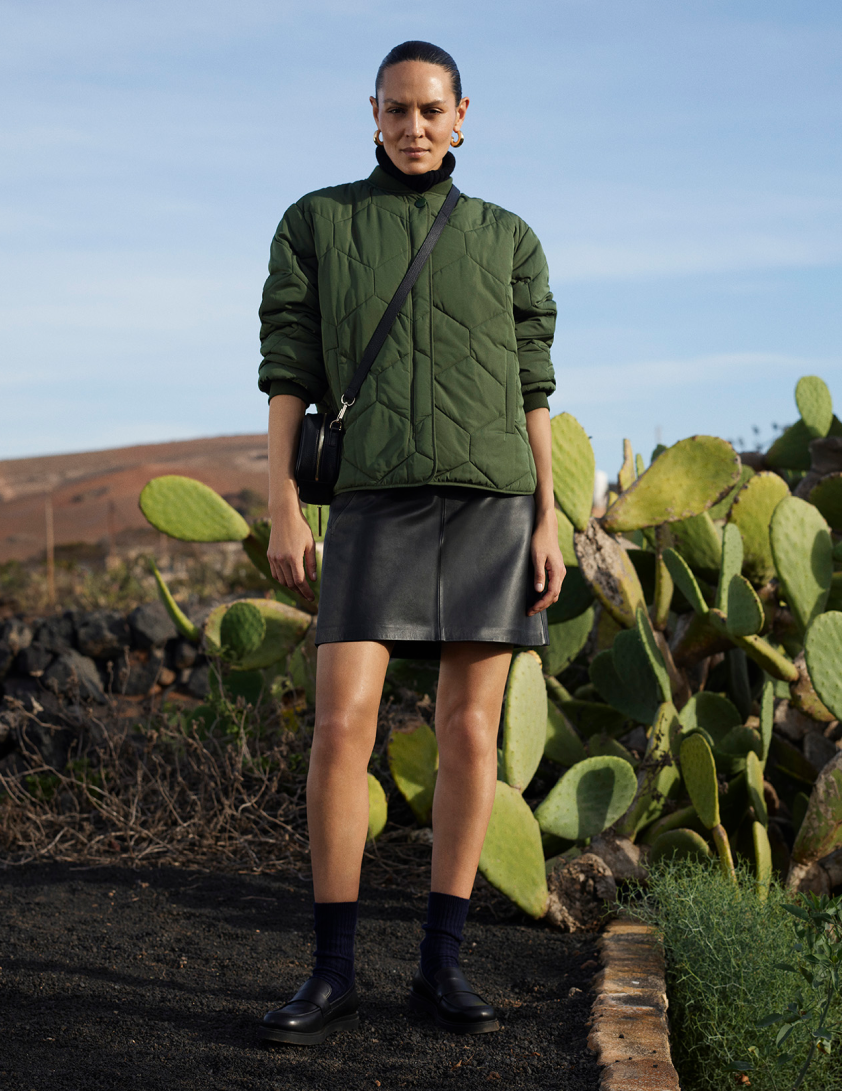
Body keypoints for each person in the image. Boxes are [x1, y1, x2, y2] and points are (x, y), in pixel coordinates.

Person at [257, 41, 564, 1046]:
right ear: (373, 115)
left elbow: (533, 386)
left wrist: (549, 513)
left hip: (491, 503)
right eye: (396, 110)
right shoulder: (317, 222)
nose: (414, 126)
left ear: (463, 114)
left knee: (471, 734)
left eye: (431, 109)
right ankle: (331, 969)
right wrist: (283, 503)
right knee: (342, 726)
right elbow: (287, 362)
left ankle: (441, 963)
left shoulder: (507, 237)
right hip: (375, 501)